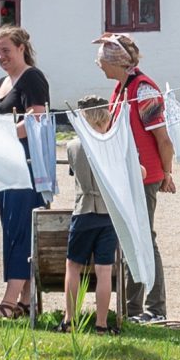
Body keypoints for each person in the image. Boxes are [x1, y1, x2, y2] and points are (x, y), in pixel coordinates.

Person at [96, 33, 172, 322]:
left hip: (145, 177)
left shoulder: (143, 90)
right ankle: (133, 309)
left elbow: (163, 139)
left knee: (144, 241)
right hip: (126, 178)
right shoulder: (120, 88)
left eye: (102, 61)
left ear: (115, 62)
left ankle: (155, 309)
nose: (99, 66)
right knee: (130, 241)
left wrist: (167, 174)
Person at [0, 25, 51, 317]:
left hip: (26, 165)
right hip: (4, 164)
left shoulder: (33, 78)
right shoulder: (1, 82)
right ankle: (26, 301)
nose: (1, 56)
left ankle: (10, 301)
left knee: (23, 229)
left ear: (21, 48)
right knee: (10, 228)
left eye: (6, 50)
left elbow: (38, 117)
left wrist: (7, 134)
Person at [63, 114, 121, 334]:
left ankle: (70, 320)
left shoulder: (73, 146)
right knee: (104, 270)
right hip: (107, 212)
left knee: (73, 266)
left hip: (84, 210)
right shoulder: (112, 146)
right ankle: (102, 324)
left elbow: (74, 173)